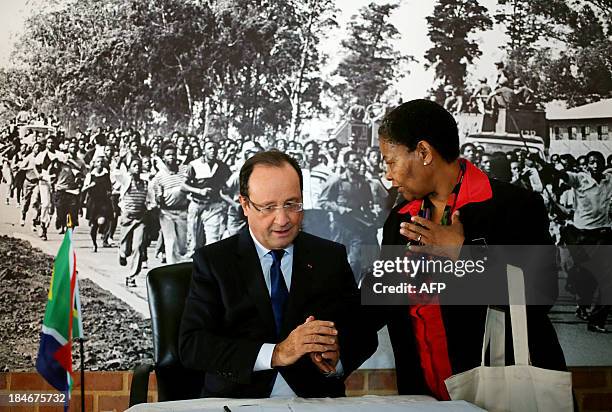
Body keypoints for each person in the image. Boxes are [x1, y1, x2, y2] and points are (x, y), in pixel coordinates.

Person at [368, 99, 566, 399]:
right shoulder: (400, 220)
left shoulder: (515, 206)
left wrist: (462, 253)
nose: (387, 174)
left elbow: (542, 293)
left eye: (390, 160)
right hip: (424, 397)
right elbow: (383, 300)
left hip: (503, 395)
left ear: (423, 152)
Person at [179, 150, 376, 398]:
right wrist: (276, 353)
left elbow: (362, 334)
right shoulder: (214, 262)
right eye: (268, 207)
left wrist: (337, 358)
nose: (282, 220)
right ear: (245, 205)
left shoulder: (330, 257)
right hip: (238, 400)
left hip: (315, 400)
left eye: (292, 204)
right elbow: (193, 345)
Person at [82, 156, 114, 252]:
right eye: (98, 162)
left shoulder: (107, 175)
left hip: (103, 202)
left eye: (101, 162)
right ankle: (94, 244)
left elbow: (110, 188)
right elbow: (83, 189)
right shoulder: (90, 176)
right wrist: (89, 186)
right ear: (94, 164)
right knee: (93, 226)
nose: (100, 163)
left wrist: (109, 192)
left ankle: (103, 231)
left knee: (102, 221)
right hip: (93, 203)